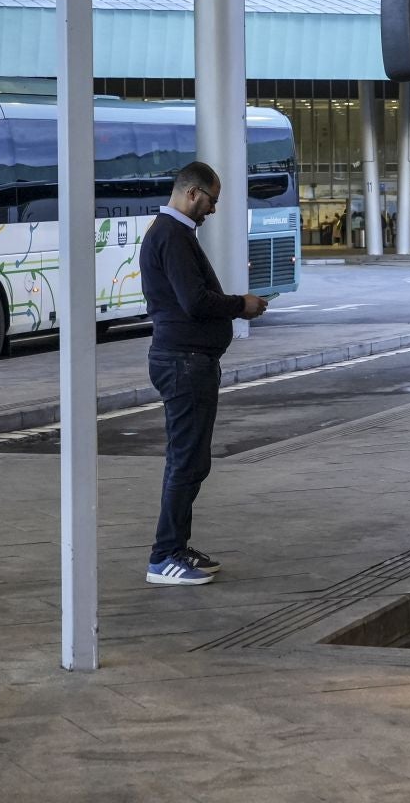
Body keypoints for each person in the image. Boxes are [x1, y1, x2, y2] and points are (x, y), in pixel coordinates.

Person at [140, 160, 266, 587]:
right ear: (192, 193)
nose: (212, 210)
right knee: (185, 462)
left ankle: (176, 546)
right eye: (211, 201)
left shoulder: (173, 234)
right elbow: (195, 302)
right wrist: (240, 305)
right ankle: (165, 555)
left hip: (186, 360)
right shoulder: (172, 236)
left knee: (191, 461)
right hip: (183, 361)